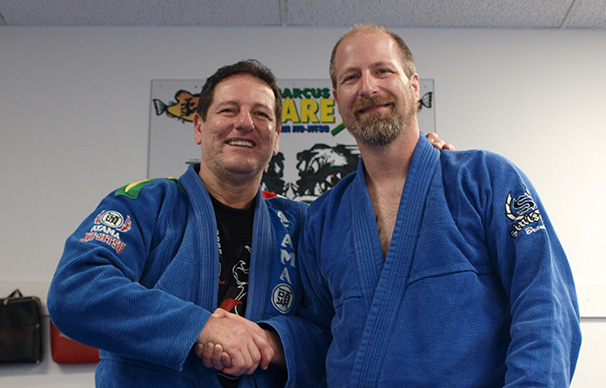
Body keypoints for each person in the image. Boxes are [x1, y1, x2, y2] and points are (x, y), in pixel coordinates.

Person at [46, 57, 454, 387]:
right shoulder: (145, 204)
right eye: (229, 110)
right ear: (200, 127)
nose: (245, 123)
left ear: (276, 139)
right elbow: (75, 290)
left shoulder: (302, 223)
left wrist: (273, 342)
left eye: (261, 114)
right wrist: (201, 327)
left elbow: (341, 329)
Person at [273, 24, 582, 387]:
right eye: (351, 77)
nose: (368, 87)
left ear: (414, 85)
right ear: (337, 98)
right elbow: (319, 336)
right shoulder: (323, 218)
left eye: (383, 70)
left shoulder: (485, 179)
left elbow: (545, 305)